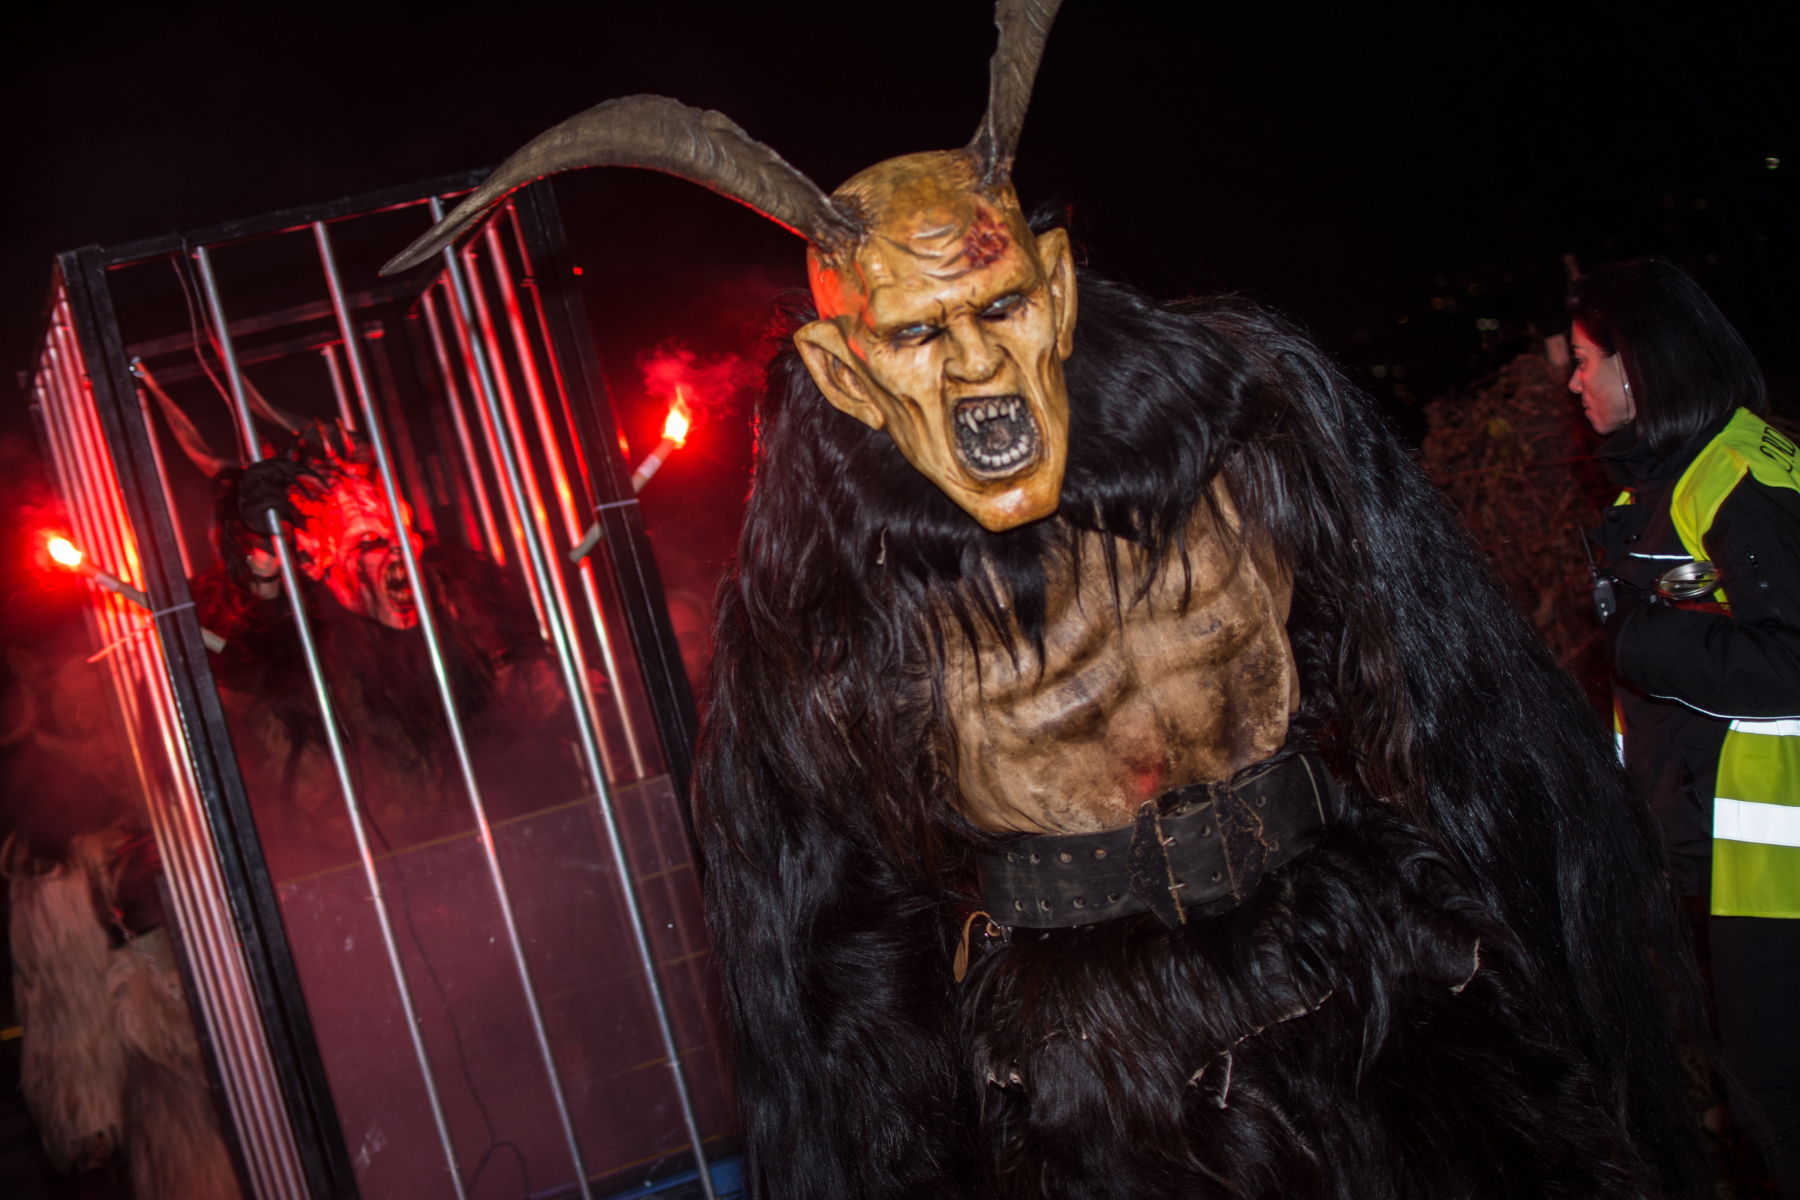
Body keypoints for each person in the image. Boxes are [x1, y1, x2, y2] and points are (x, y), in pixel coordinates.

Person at [1576, 256, 1800, 1198]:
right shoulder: (1675, 482)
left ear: (1641, 363)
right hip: (1742, 859)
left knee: (1777, 1103)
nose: (1574, 381)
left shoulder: (1734, 476)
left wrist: (1642, 638)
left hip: (1779, 865)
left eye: (1586, 358)